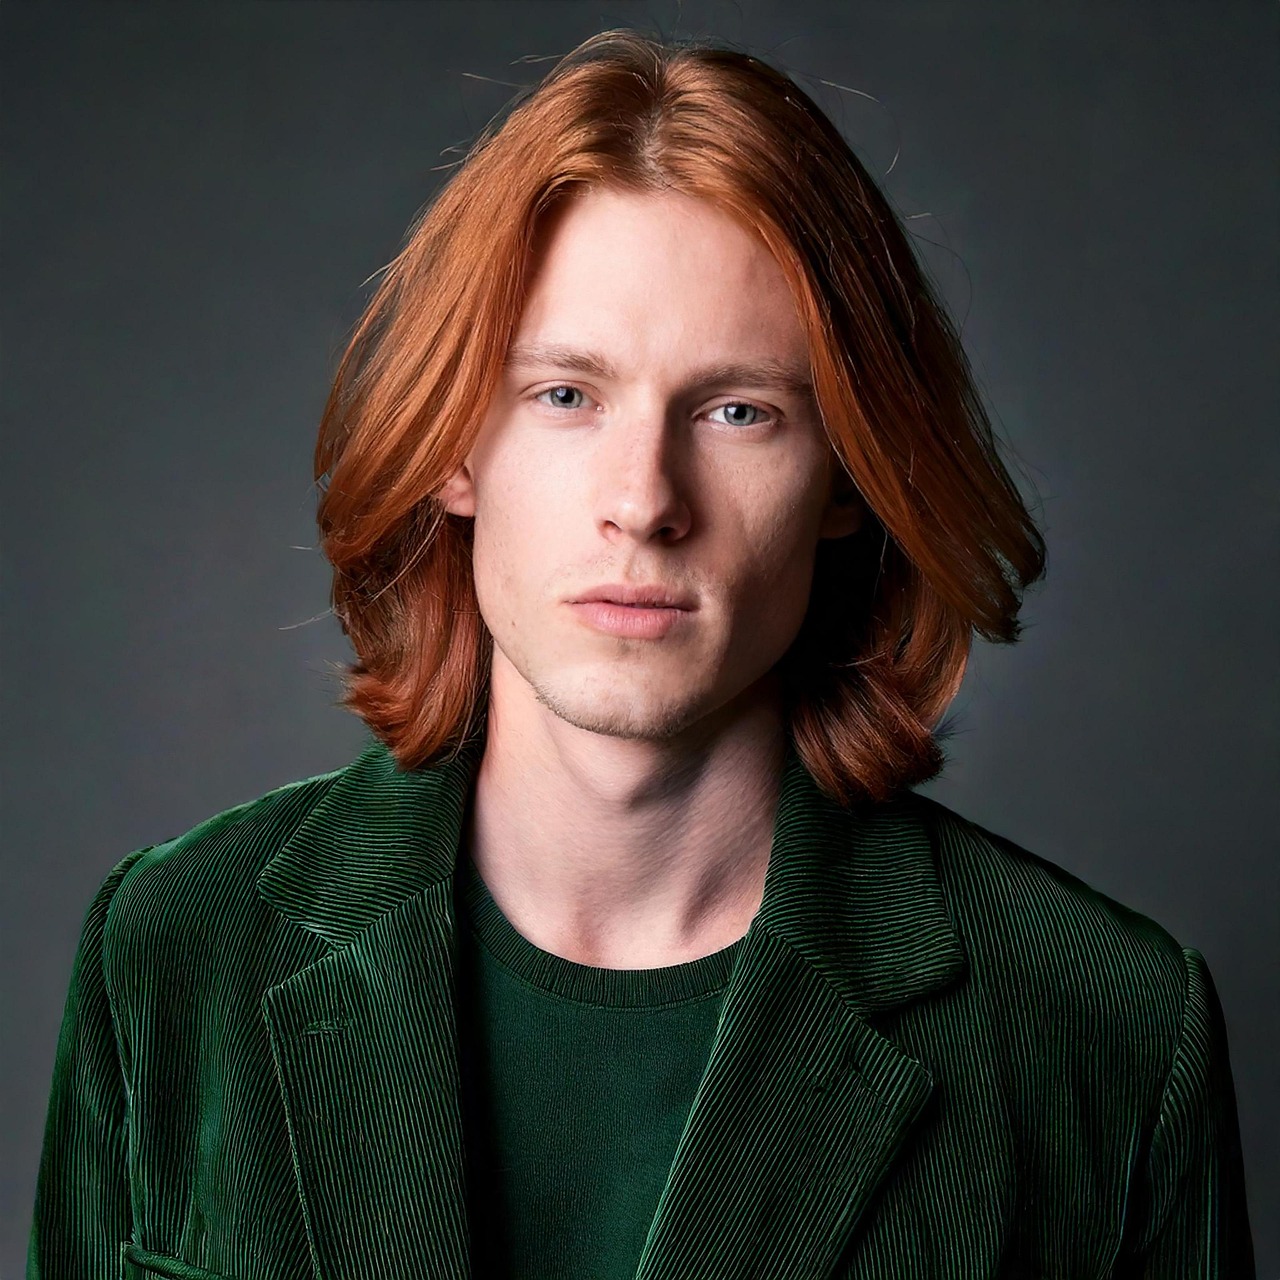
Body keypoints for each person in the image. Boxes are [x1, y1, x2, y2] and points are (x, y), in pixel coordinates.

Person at [29, 27, 1254, 1280]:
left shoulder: (1102, 1025)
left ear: (847, 477)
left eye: (737, 410)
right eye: (565, 394)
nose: (643, 499)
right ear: (452, 445)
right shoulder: (172, 950)